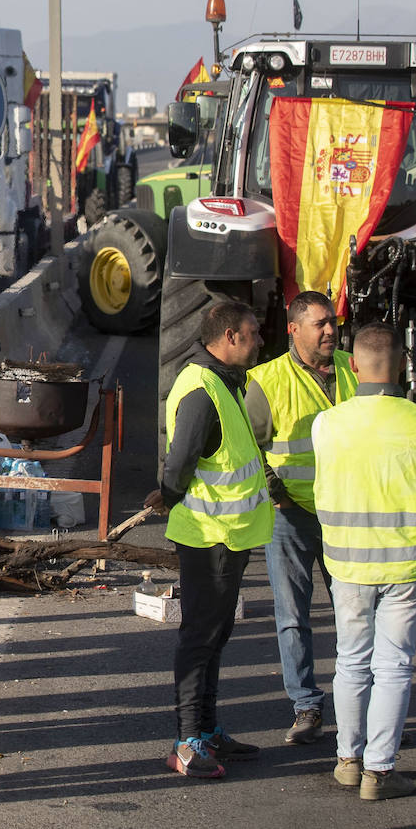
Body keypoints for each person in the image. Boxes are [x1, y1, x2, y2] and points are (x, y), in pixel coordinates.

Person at [312, 323, 416, 801]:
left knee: (350, 661)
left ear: (353, 367)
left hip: (347, 564)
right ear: (401, 365)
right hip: (408, 564)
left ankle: (347, 761)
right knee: (394, 666)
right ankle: (379, 771)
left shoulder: (326, 424)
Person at [147, 300, 271, 779]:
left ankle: (209, 729)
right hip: (209, 537)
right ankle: (187, 741)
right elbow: (178, 464)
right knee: (200, 638)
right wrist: (171, 495)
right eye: (254, 333)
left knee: (216, 636)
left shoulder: (223, 381)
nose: (260, 341)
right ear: (230, 337)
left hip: (228, 535)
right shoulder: (202, 388)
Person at [245, 291, 355, 746]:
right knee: (293, 616)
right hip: (292, 517)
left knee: (356, 616)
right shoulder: (266, 380)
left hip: (349, 514)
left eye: (332, 321)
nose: (330, 330)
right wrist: (276, 496)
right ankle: (306, 706)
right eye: (320, 324)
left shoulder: (357, 368)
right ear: (293, 329)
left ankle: (361, 712)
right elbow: (249, 447)